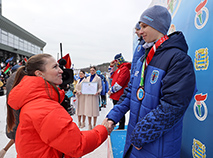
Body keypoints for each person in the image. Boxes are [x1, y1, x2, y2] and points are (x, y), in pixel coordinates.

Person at [105, 5, 196, 157]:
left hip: (157, 146)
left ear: (157, 25)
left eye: (144, 26)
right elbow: (131, 92)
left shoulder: (178, 59)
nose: (140, 32)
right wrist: (113, 116)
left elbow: (172, 107)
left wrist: (140, 134)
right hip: (135, 142)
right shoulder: (143, 58)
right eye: (139, 27)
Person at [7, 54, 110, 158]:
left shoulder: (36, 100)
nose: (61, 71)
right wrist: (103, 130)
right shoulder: (44, 107)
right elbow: (77, 145)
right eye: (55, 67)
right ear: (39, 74)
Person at [0, 65, 20, 158]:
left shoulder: (10, 79)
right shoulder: (19, 79)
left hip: (12, 110)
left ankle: (4, 150)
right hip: (19, 110)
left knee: (15, 133)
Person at [108, 53, 131, 129]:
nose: (116, 62)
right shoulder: (119, 69)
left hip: (120, 94)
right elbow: (110, 75)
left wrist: (111, 90)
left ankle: (121, 127)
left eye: (116, 61)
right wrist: (111, 66)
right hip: (116, 94)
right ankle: (118, 125)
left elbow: (120, 83)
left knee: (120, 110)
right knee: (116, 109)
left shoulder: (124, 69)